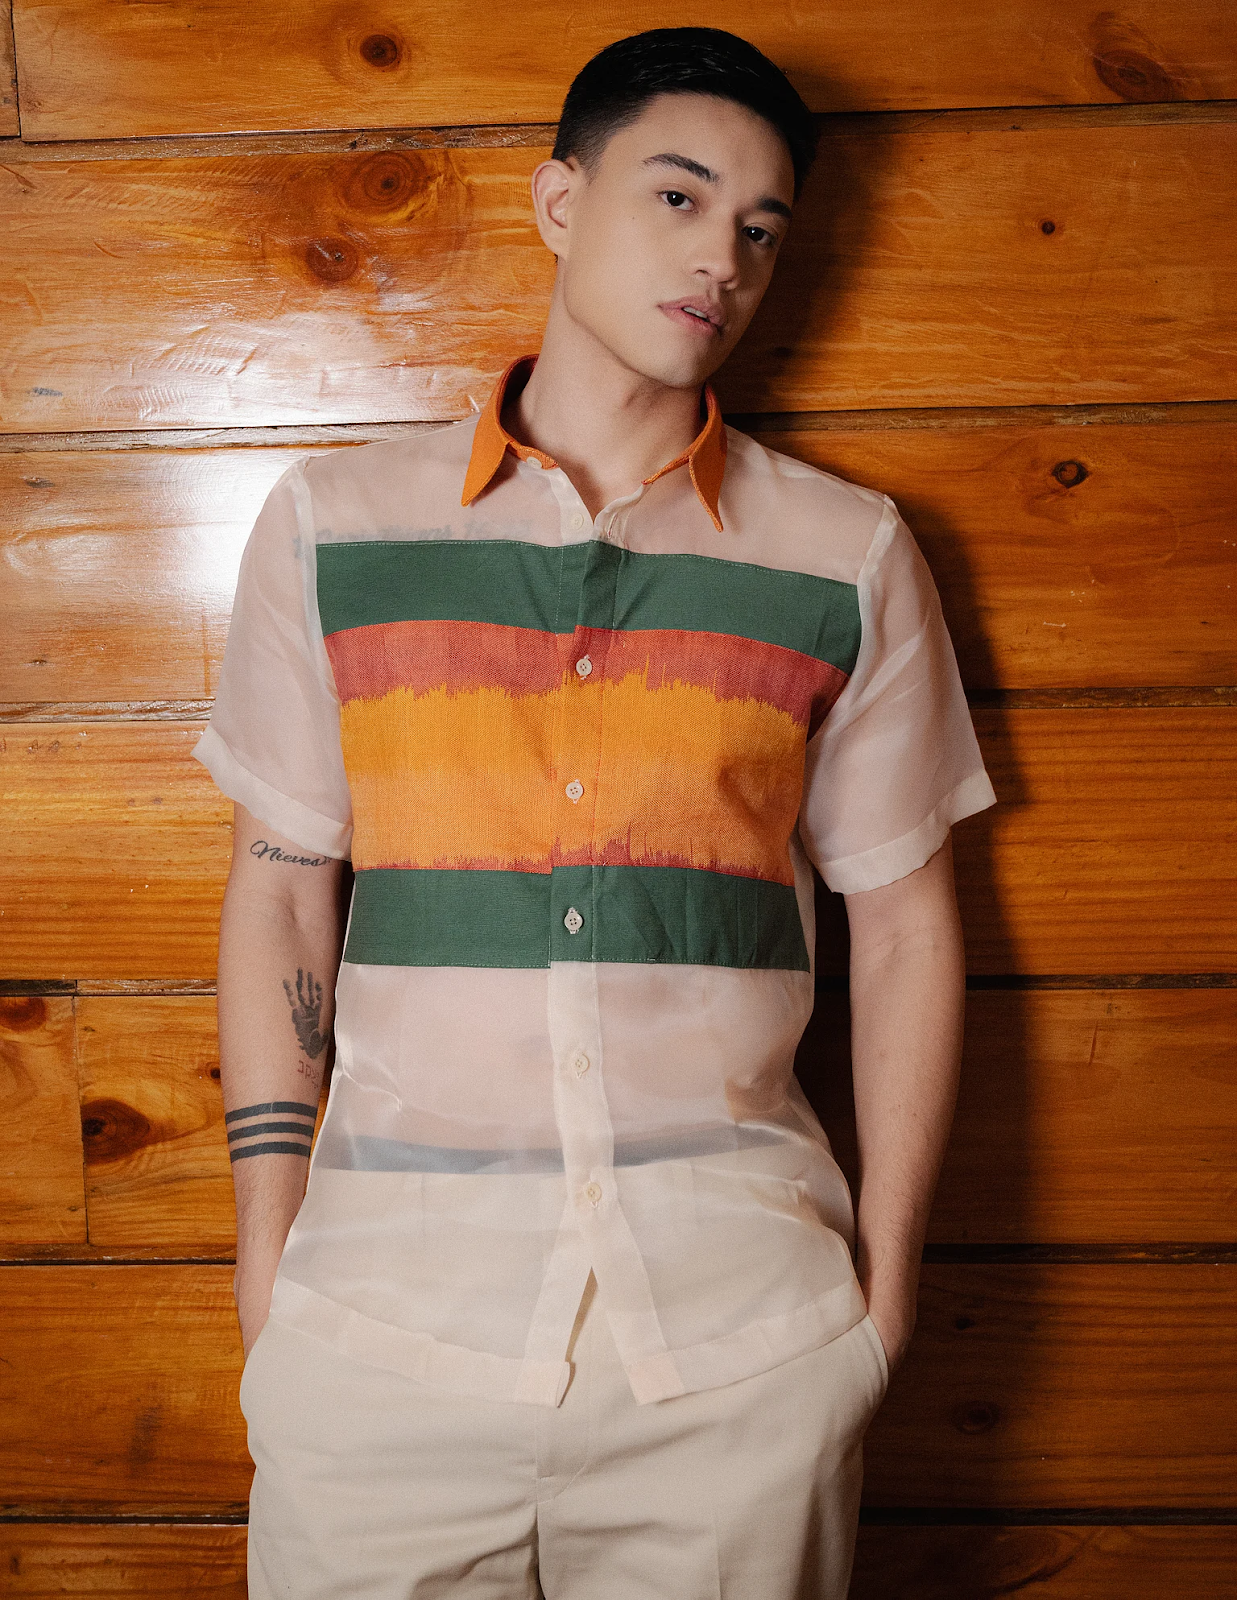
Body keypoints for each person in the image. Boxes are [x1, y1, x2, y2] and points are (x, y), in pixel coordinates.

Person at [194, 25, 996, 1599]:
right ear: (561, 201)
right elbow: (280, 889)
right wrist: (267, 1271)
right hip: (376, 1346)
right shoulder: (332, 527)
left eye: (761, 230)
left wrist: (883, 1300)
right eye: (678, 197)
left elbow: (906, 929)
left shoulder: (843, 554)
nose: (722, 260)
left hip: (741, 1354)